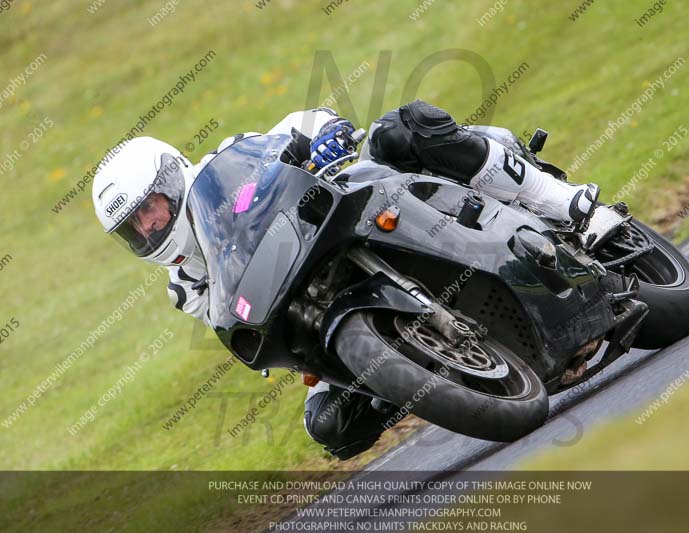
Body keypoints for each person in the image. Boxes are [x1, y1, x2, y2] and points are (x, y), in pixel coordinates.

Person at [92, 100, 599, 460]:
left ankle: (558, 201)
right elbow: (238, 313)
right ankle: (431, 374)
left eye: (151, 210)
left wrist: (325, 134)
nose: (149, 227)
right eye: (134, 227)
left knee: (403, 128)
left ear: (172, 179)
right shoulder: (187, 286)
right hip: (322, 307)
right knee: (329, 426)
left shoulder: (232, 161)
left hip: (355, 215)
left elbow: (303, 123)